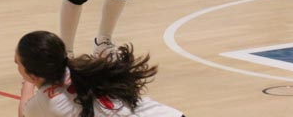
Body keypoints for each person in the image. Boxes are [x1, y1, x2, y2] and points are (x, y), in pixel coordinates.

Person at [15, 30, 185, 117]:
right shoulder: (82, 69)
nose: (17, 67)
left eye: (18, 63)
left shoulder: (45, 102)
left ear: (33, 74)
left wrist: (28, 85)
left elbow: (24, 112)